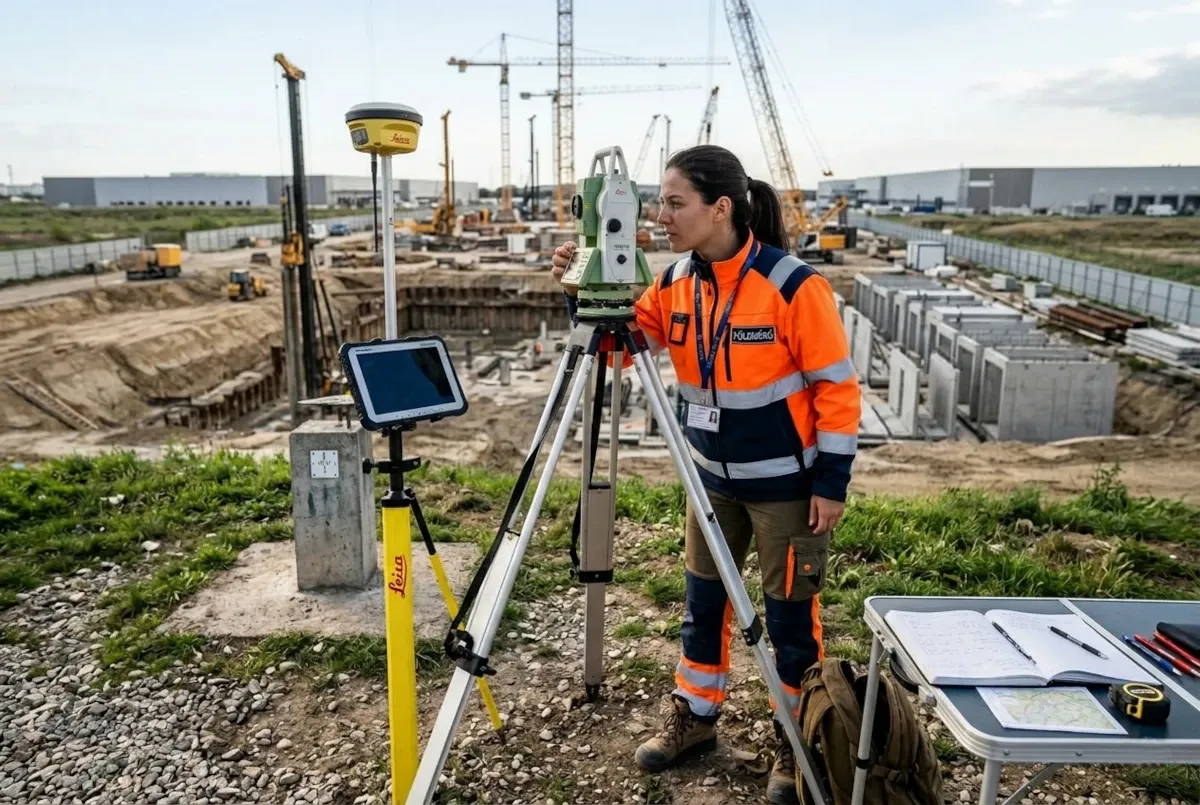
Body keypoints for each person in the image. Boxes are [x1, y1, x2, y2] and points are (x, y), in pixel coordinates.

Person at [551, 144, 860, 805]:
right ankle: (694, 717)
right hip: (710, 484)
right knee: (703, 608)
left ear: (720, 209)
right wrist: (584, 290)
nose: (660, 216)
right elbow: (622, 349)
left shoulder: (794, 286)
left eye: (673, 202)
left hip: (787, 488)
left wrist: (831, 483)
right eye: (659, 201)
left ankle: (794, 739)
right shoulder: (675, 283)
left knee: (790, 620)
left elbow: (837, 388)